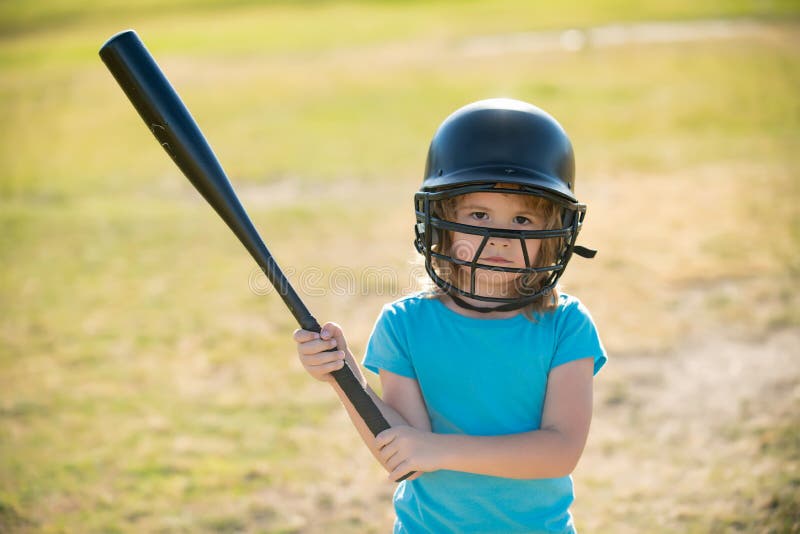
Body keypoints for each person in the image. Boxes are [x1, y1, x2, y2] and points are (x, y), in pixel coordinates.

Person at [294, 98, 606, 533]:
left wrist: (439, 450)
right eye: (478, 215)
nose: (498, 237)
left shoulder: (566, 326)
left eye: (521, 219)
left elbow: (560, 451)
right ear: (442, 222)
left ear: (553, 233)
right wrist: (343, 375)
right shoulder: (404, 326)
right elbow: (406, 457)